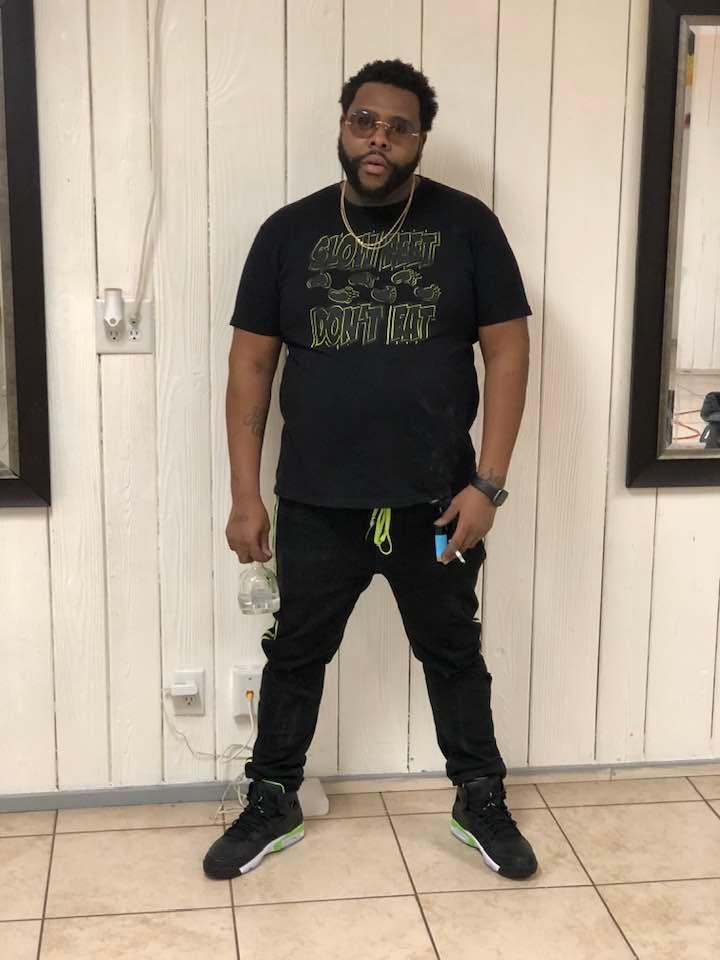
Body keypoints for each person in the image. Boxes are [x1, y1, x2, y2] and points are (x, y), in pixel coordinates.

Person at [204, 58, 538, 882]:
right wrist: (245, 495)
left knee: (453, 653)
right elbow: (250, 367)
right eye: (364, 122)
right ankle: (273, 797)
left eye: (397, 127)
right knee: (294, 654)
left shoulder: (467, 226)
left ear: (420, 138)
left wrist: (488, 485)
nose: (378, 139)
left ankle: (479, 796)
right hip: (317, 503)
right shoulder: (288, 233)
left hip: (439, 505)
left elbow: (508, 351)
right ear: (343, 124)